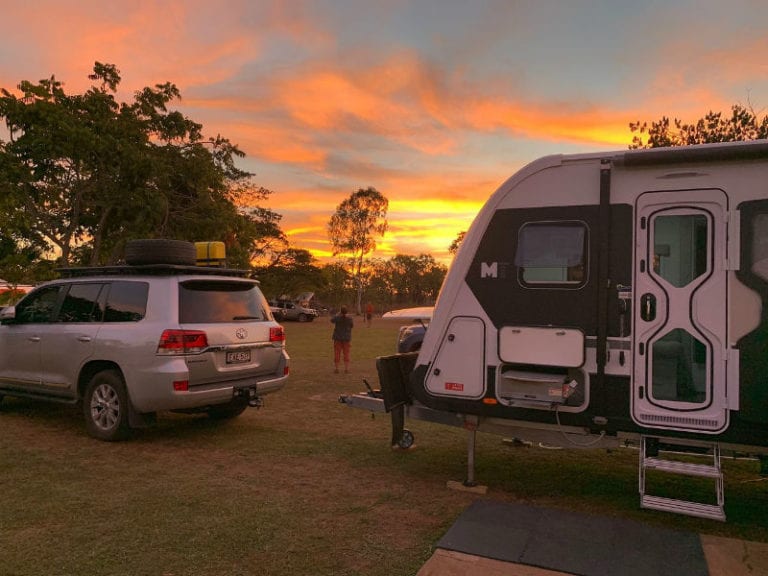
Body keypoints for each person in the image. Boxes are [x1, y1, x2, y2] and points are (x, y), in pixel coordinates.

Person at [331, 306, 354, 373]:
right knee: (346, 353)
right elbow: (352, 326)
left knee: (337, 353)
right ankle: (346, 369)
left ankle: (337, 368)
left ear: (340, 311)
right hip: (346, 338)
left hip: (338, 337)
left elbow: (332, 320)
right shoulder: (349, 318)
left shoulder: (337, 317)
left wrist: (337, 314)